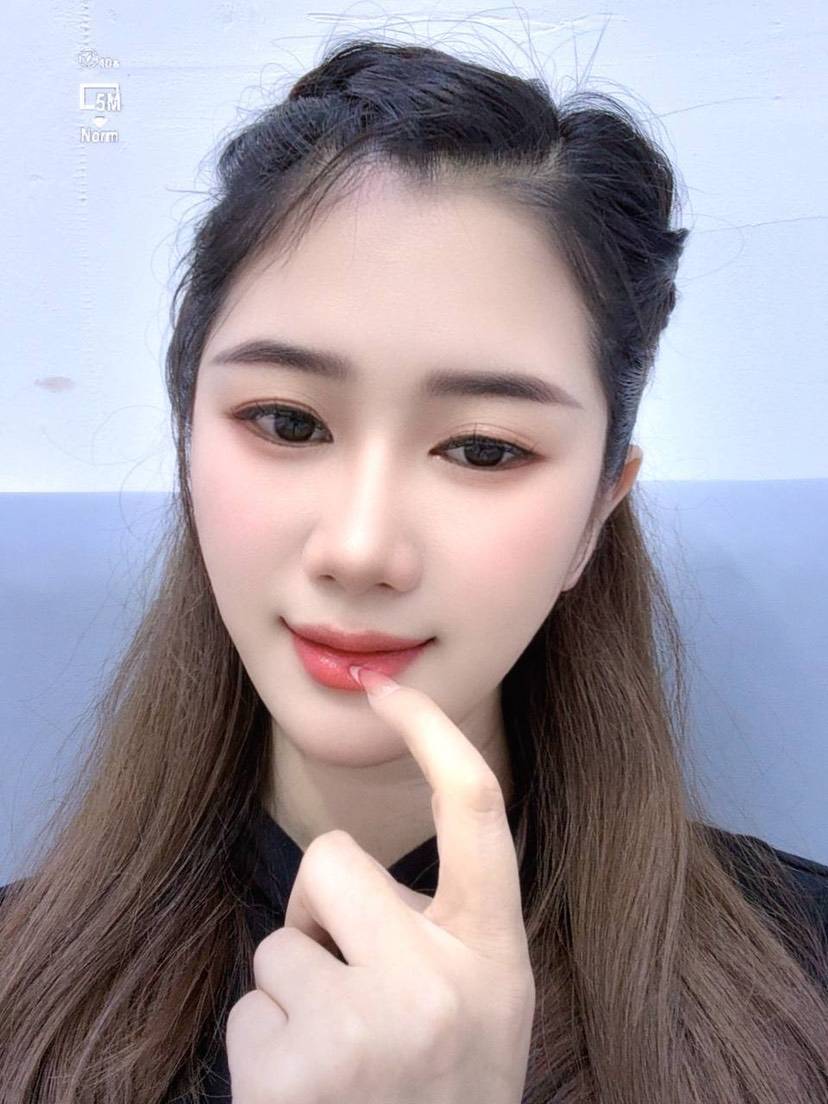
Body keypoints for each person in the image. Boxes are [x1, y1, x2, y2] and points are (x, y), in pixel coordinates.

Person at [0, 36, 826, 1104]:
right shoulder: (23, 998)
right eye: (287, 422)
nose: (360, 549)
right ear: (188, 441)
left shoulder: (803, 986)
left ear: (597, 511)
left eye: (482, 449)